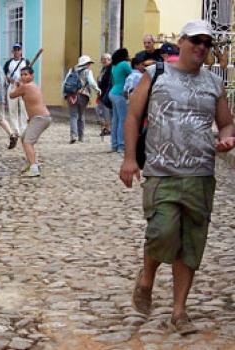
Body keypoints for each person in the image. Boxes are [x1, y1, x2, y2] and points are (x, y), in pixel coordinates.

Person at [120, 19, 235, 335]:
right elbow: (132, 116)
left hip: (200, 174)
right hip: (162, 172)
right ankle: (146, 279)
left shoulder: (213, 83)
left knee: (191, 244)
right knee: (161, 232)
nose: (201, 47)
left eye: (207, 43)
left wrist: (227, 138)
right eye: (196, 40)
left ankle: (179, 311)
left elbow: (226, 122)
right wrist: (130, 159)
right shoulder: (155, 74)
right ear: (182, 41)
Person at [9, 66, 52, 177]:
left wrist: (15, 85)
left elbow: (12, 95)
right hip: (38, 118)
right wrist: (19, 86)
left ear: (32, 76)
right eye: (22, 74)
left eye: (26, 74)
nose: (23, 76)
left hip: (40, 118)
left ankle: (34, 168)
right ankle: (31, 163)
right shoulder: (30, 86)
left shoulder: (27, 86)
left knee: (28, 142)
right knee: (24, 138)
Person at [63, 55, 101, 143]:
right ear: (86, 63)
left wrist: (65, 94)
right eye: (89, 63)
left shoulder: (71, 70)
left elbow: (65, 83)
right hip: (83, 95)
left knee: (73, 116)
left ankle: (73, 135)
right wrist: (98, 90)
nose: (89, 65)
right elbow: (91, 82)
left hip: (71, 95)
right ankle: (81, 137)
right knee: (81, 116)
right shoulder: (87, 71)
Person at [4, 42, 31, 141]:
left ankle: (24, 129)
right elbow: (5, 75)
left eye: (18, 49)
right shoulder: (8, 63)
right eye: (15, 50)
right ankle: (16, 130)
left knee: (24, 109)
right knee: (12, 109)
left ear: (21, 51)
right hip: (12, 87)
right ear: (12, 51)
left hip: (23, 87)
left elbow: (30, 75)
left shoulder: (26, 62)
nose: (16, 51)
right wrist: (10, 80)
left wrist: (24, 81)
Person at [108, 48, 132, 153]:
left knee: (115, 120)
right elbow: (132, 75)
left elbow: (113, 81)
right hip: (121, 93)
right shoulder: (124, 64)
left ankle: (114, 144)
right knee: (123, 120)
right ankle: (121, 145)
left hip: (112, 92)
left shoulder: (114, 66)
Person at [96, 53, 113, 136]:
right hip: (101, 93)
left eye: (106, 59)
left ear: (110, 60)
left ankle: (107, 128)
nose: (104, 60)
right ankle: (105, 128)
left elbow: (108, 82)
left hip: (107, 93)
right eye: (102, 59)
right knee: (99, 110)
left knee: (106, 112)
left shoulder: (111, 69)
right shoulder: (103, 69)